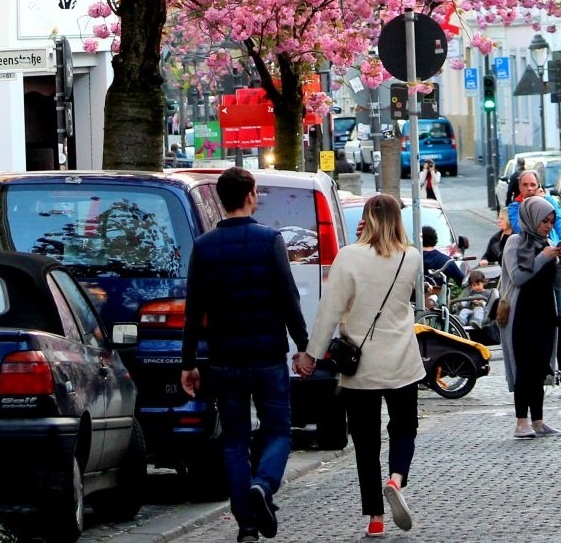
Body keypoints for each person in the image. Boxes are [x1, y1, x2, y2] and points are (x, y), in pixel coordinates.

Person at [180, 167, 309, 543]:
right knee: (279, 431)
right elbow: (289, 299)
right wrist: (304, 347)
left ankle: (246, 526)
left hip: (224, 358)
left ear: (221, 199)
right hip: (268, 353)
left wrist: (188, 363)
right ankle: (264, 485)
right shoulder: (270, 241)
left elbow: (193, 311)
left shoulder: (203, 247)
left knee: (234, 440)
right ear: (251, 195)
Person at [298, 195, 422, 538]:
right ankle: (396, 479)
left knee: (366, 444)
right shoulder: (410, 257)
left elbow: (331, 310)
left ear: (366, 218)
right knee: (404, 427)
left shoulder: (349, 256)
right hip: (402, 361)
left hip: (361, 365)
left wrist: (311, 354)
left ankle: (375, 519)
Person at [505, 172, 561, 395]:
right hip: (534, 268)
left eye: (533, 185)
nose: (529, 188)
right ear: (519, 188)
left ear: (539, 186)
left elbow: (560, 222)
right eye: (525, 185)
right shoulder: (516, 208)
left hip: (552, 262)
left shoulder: (549, 204)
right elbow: (523, 232)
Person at [501, 196, 561, 440]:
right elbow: (517, 276)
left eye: (551, 222)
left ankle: (538, 421)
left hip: (544, 313)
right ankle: (521, 421)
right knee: (524, 368)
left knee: (541, 367)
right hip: (521, 314)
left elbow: (557, 284)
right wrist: (544, 257)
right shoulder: (515, 243)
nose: (548, 226)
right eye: (544, 221)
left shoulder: (547, 243)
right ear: (531, 219)